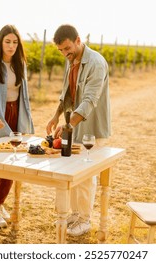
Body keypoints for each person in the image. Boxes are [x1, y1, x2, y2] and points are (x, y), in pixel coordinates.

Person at [46, 24, 111, 236]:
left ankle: (85, 220)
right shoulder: (71, 60)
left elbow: (90, 100)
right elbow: (67, 94)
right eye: (61, 50)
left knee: (85, 175)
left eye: (67, 48)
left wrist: (68, 124)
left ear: (78, 39)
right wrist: (56, 116)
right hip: (73, 124)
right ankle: (75, 214)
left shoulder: (96, 63)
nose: (65, 53)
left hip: (91, 128)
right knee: (71, 172)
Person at [0, 25, 34, 228]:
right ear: (0, 43)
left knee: (12, 165)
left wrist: (24, 122)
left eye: (15, 42)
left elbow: (24, 98)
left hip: (15, 116)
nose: (11, 46)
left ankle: (0, 204)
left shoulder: (21, 65)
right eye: (7, 42)